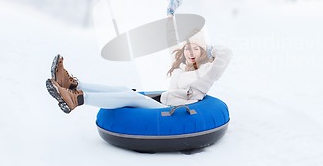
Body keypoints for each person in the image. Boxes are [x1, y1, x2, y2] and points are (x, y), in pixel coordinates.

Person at [45, 41, 232, 114]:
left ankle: (76, 99)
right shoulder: (181, 68)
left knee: (130, 97)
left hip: (177, 111)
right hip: (165, 103)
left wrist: (209, 48)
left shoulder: (208, 70)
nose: (191, 52)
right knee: (124, 91)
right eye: (188, 49)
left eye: (197, 49)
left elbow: (227, 53)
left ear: (203, 53)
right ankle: (72, 84)